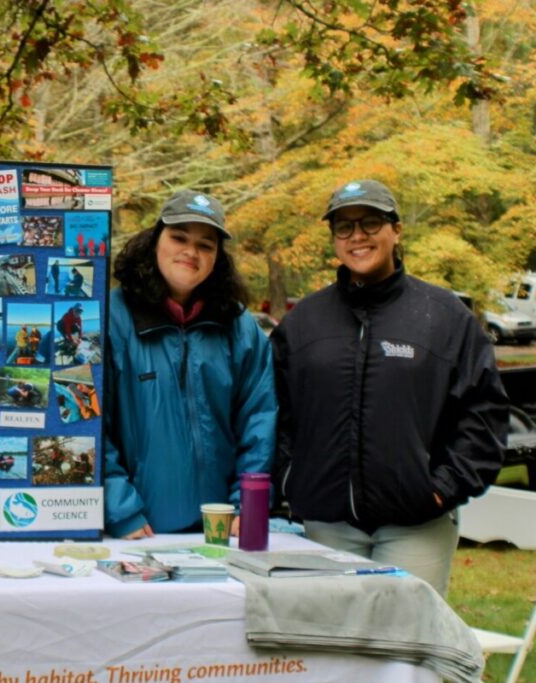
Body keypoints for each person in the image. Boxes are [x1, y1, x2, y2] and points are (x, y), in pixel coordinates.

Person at [271, 179, 508, 595]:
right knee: (334, 631)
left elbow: (484, 414)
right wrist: (291, 478)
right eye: (344, 226)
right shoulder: (303, 323)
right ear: (334, 239)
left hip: (416, 526)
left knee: (405, 633)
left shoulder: (444, 317)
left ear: (396, 230)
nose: (357, 236)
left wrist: (442, 489)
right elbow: (276, 412)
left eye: (370, 222)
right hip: (327, 525)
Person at [104, 189, 276, 539]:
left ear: (217, 258)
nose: (191, 252)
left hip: (222, 529)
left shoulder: (238, 326)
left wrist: (246, 506)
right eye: (179, 238)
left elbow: (259, 420)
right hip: (136, 531)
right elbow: (89, 424)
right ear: (155, 241)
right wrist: (121, 510)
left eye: (205, 245)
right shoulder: (111, 318)